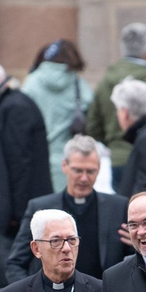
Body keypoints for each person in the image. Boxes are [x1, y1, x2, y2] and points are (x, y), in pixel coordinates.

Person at [0, 60, 53, 289]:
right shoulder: (2, 106)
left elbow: (20, 167)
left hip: (19, 212)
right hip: (11, 209)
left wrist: (14, 213)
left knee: (19, 274)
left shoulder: (16, 107)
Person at [5, 135, 131, 285]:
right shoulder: (40, 208)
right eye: (77, 170)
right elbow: (15, 263)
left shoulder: (118, 207)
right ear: (64, 166)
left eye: (90, 171)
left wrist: (138, 246)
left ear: (99, 170)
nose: (84, 178)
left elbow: (133, 262)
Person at [85, 22, 146, 186]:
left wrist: (115, 143)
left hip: (117, 159)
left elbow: (93, 126)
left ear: (123, 48)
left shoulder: (106, 81)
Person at [22, 39, 95, 193]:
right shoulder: (79, 84)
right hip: (71, 161)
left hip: (36, 161)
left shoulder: (31, 83)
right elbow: (93, 118)